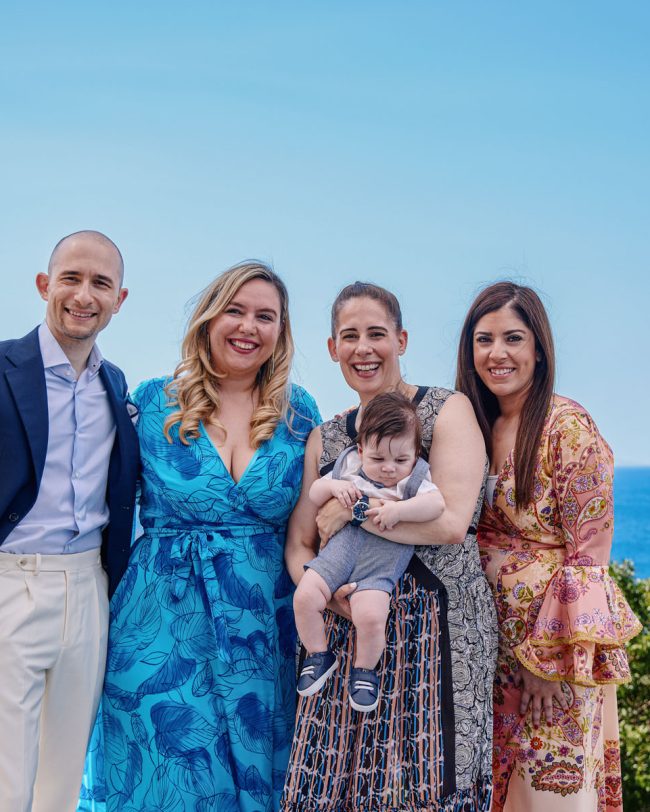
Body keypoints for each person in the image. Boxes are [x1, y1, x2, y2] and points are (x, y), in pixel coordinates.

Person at [82, 262, 320, 812]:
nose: (248, 327)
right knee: (165, 773)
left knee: (262, 771)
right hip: (159, 623)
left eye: (265, 316)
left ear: (281, 331)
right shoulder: (151, 402)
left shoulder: (299, 412)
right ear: (209, 318)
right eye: (235, 310)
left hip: (263, 626)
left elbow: (314, 522)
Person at [281, 282, 497, 811]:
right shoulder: (327, 437)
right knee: (335, 783)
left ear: (401, 340)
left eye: (377, 334)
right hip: (347, 633)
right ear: (332, 348)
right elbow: (300, 544)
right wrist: (327, 596)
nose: (364, 349)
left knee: (429, 781)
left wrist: (353, 513)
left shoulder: (445, 410)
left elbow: (450, 523)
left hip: (438, 631)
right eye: (349, 336)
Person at [455, 281, 642, 812]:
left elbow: (589, 557)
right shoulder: (473, 425)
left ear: (539, 348)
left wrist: (545, 663)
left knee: (551, 793)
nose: (497, 353)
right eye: (484, 339)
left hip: (552, 660)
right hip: (486, 655)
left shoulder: (568, 426)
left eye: (513, 338)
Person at [0, 231, 137, 812]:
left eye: (100, 284)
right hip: (12, 582)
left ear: (119, 300)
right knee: (7, 777)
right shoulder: (3, 366)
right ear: (44, 285)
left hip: (88, 588)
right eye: (71, 279)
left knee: (61, 784)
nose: (84, 295)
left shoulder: (116, 384)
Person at [294, 391, 445, 711]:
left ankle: (364, 670)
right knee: (305, 596)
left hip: (380, 564)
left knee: (371, 616)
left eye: (400, 460)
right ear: (361, 450)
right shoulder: (349, 466)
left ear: (415, 453)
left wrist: (400, 511)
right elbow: (315, 492)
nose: (389, 468)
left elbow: (436, 505)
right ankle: (318, 654)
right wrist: (333, 486)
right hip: (338, 554)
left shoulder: (414, 479)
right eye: (378, 459)